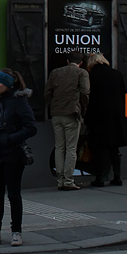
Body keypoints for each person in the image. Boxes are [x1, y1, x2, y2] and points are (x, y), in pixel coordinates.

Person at [0, 68, 37, 248]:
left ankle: (16, 231)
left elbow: (31, 127)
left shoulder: (19, 102)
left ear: (8, 84)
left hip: (12, 154)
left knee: (14, 194)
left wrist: (11, 138)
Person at [84, 52, 127, 187]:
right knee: (114, 148)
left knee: (100, 149)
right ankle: (117, 177)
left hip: (98, 116)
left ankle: (100, 178)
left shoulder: (91, 75)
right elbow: (124, 94)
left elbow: (89, 98)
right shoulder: (116, 74)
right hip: (116, 117)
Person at [44, 52, 90, 190]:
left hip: (56, 113)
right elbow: (85, 92)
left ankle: (60, 180)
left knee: (59, 147)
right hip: (72, 112)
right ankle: (68, 181)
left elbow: (47, 93)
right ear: (81, 62)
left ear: (68, 61)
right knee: (71, 148)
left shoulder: (55, 72)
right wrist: (83, 108)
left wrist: (53, 105)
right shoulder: (82, 73)